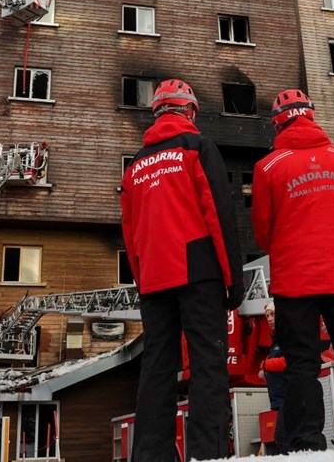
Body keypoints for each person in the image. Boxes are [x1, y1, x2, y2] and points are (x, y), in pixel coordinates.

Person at [251, 89, 334, 450]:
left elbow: (263, 230)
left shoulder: (267, 167)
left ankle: (308, 442)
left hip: (295, 282)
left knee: (301, 363)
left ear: (278, 122)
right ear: (311, 115)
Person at [120, 79, 244, 462]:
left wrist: (143, 283)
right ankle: (208, 454)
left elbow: (130, 233)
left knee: (157, 367)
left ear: (156, 113)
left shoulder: (136, 165)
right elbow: (219, 215)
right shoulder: (197, 148)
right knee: (208, 363)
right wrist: (233, 278)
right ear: (189, 111)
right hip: (198, 271)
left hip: (155, 279)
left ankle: (150, 454)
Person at [259, 302, 290, 454]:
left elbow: (288, 362)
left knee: (283, 439)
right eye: (267, 316)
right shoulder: (276, 341)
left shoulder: (286, 336)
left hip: (289, 396)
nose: (270, 319)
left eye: (273, 314)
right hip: (281, 399)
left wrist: (266, 365)